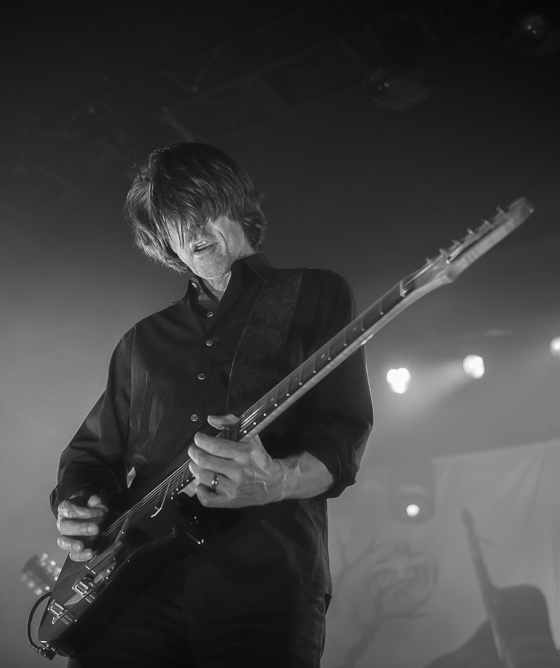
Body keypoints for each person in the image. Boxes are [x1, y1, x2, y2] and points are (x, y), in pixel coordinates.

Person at [50, 142, 373, 667]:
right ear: (163, 242)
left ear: (238, 206)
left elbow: (343, 436)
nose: (191, 230)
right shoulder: (143, 341)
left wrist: (276, 480)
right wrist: (80, 505)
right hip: (132, 591)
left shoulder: (314, 295)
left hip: (264, 583)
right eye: (174, 222)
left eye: (202, 209)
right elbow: (91, 454)